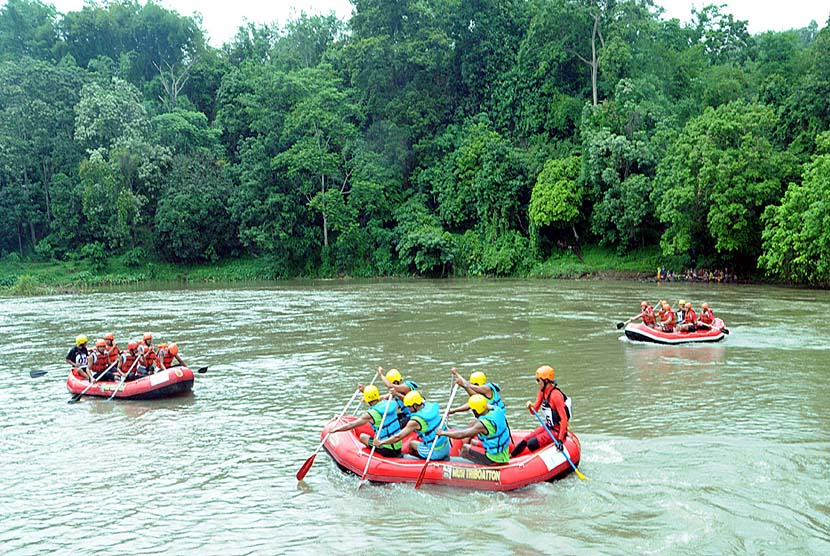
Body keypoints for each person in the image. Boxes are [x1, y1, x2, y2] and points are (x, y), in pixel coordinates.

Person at [372, 390, 451, 461]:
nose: (408, 409)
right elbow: (410, 400)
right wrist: (396, 394)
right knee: (416, 443)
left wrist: (381, 442)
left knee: (411, 444)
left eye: (409, 406)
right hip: (446, 447)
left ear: (415, 406)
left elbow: (398, 437)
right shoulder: (427, 405)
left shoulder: (415, 421)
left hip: (435, 453)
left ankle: (414, 462)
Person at [327, 384, 403, 458]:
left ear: (367, 400)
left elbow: (352, 425)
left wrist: (336, 429)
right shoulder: (390, 404)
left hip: (387, 450)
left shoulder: (370, 414)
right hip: (398, 447)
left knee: (363, 436)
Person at [511, 365, 571, 457]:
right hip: (549, 426)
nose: (537, 383)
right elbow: (534, 412)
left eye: (538, 380)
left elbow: (564, 419)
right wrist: (530, 407)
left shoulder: (555, 395)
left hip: (557, 430)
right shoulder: (542, 392)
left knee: (531, 443)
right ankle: (511, 456)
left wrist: (559, 440)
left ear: (546, 381)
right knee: (526, 439)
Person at [437, 394, 511, 465]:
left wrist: (443, 433)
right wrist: (454, 410)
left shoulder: (482, 424)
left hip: (493, 459)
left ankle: (459, 465)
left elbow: (462, 434)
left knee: (466, 448)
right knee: (473, 432)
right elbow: (470, 405)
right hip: (503, 454)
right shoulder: (496, 409)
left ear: (475, 411)